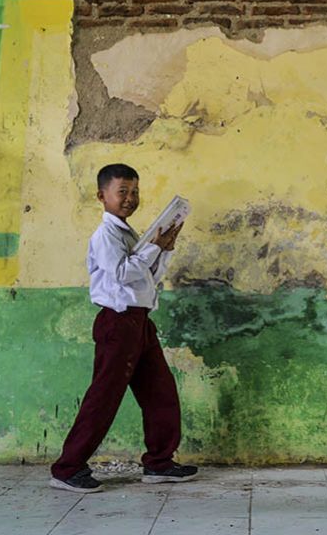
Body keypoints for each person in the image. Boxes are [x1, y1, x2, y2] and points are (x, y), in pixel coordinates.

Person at [49, 163, 197, 493]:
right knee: (103, 397)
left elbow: (147, 277)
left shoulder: (130, 234)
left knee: (161, 392)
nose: (130, 198)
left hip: (140, 323)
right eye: (122, 192)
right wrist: (153, 247)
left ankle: (159, 463)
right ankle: (67, 468)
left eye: (135, 192)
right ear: (102, 196)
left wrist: (165, 249)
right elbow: (121, 273)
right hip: (117, 324)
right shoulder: (105, 235)